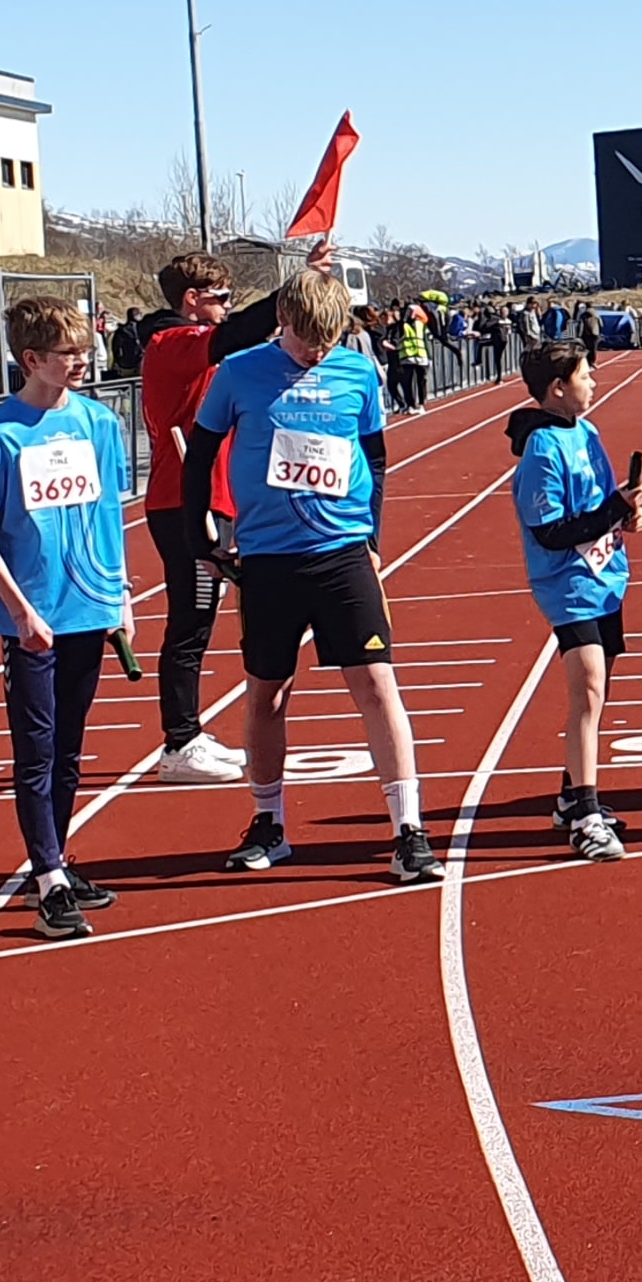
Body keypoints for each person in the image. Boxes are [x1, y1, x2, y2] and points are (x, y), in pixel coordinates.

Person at [184, 266, 428, 883]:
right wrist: (199, 533)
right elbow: (201, 452)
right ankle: (269, 822)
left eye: (327, 341)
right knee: (268, 691)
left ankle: (408, 829)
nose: (316, 353)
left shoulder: (357, 372)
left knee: (377, 683)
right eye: (305, 341)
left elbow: (374, 455)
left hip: (342, 551)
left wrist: (373, 537)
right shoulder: (239, 371)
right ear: (282, 320)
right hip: (268, 557)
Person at [0, 296, 134, 939]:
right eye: (68, 353)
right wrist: (20, 610)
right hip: (33, 618)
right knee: (35, 751)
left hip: (90, 606)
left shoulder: (99, 423)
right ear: (32, 359)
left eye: (86, 350)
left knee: (70, 750)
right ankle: (49, 880)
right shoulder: (2, 434)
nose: (82, 362)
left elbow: (110, 517)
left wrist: (122, 599)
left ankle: (57, 859)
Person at [506, 338, 642, 860]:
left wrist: (627, 513)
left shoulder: (587, 432)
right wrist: (611, 510)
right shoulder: (542, 450)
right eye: (586, 375)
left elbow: (602, 503)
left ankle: (570, 795)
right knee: (586, 689)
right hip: (568, 584)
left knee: (598, 691)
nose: (594, 382)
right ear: (559, 388)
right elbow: (552, 531)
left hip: (605, 576)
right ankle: (585, 815)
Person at [128, 257, 251, 786]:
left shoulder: (190, 344)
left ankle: (188, 733)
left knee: (203, 616)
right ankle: (179, 741)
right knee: (191, 619)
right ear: (192, 299)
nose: (228, 308)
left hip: (210, 496)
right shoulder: (172, 341)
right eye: (221, 298)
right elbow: (237, 334)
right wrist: (302, 287)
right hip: (183, 500)